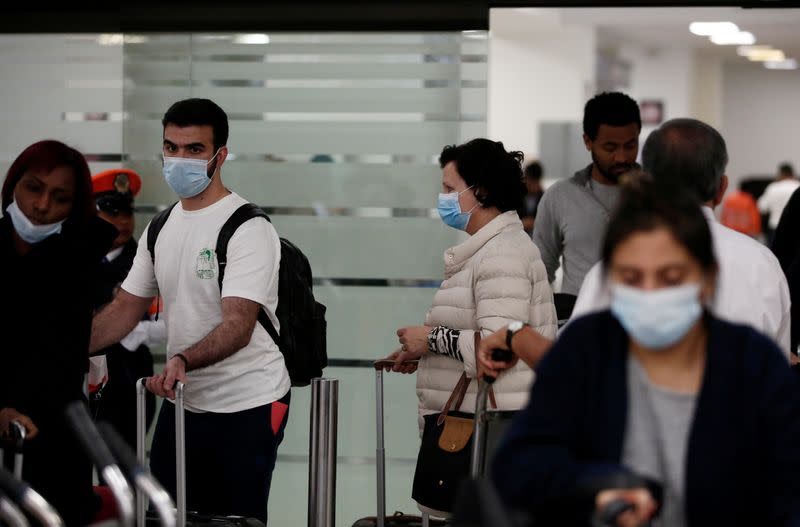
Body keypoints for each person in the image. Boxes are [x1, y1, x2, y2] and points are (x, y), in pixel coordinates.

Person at [490, 176, 800, 527]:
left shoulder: (754, 365)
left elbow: (788, 492)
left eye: (670, 277)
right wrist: (595, 488)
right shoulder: (587, 352)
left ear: (707, 278)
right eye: (631, 278)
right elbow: (518, 466)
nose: (650, 294)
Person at [89, 98, 290, 523]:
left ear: (220, 156)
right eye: (171, 147)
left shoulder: (248, 227)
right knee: (166, 515)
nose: (180, 159)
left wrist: (182, 358)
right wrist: (68, 346)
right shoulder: (160, 226)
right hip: (183, 401)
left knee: (234, 520)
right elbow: (126, 306)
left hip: (247, 403)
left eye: (194, 149)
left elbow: (237, 323)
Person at [385, 138, 558, 518]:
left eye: (449, 188)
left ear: (479, 190)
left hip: (489, 437)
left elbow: (500, 346)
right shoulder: (489, 250)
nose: (442, 197)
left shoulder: (503, 255)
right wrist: (424, 352)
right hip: (477, 427)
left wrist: (429, 337)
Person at [571, 118, 792, 358]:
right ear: (721, 188)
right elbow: (779, 367)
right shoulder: (763, 265)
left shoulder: (611, 271)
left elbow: (576, 370)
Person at [0, 139, 117, 526]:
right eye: (33, 188)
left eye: (60, 197)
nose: (41, 206)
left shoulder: (77, 263)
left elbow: (56, 360)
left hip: (56, 443)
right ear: (13, 183)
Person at [533, 91, 641, 297]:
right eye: (610, 147)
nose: (621, 157)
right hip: (577, 321)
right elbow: (540, 273)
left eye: (630, 145)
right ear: (588, 141)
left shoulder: (661, 195)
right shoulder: (560, 197)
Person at [88, 168, 165, 449]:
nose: (122, 222)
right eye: (111, 213)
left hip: (128, 387)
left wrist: (130, 330)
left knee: (122, 478)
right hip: (79, 387)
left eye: (126, 214)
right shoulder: (72, 261)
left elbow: (166, 322)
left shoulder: (145, 263)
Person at [758, 162, 799, 245]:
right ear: (792, 173)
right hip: (797, 227)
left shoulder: (773, 187)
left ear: (781, 173)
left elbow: (762, 208)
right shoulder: (798, 186)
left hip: (776, 227)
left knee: (775, 257)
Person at [519, 160, 544, 236]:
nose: (533, 186)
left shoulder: (544, 198)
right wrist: (522, 223)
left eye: (535, 182)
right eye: (530, 182)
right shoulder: (516, 198)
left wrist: (535, 223)